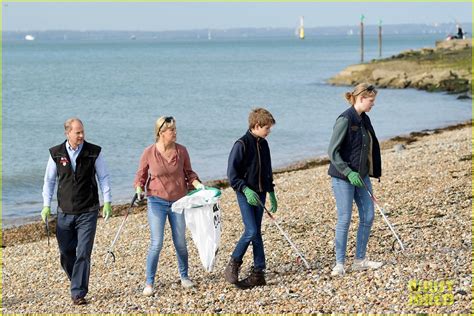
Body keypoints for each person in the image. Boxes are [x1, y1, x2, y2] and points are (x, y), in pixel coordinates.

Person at [41, 118, 112, 305]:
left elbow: (103, 177)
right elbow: (49, 181)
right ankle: (76, 280)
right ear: (68, 133)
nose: (81, 136)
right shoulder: (56, 154)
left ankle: (78, 292)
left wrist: (107, 202)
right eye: (77, 132)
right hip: (64, 212)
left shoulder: (93, 152)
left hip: (88, 210)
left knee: (83, 252)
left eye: (82, 132)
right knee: (65, 252)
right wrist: (46, 205)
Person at [134, 116, 205, 296]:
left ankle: (184, 276)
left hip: (179, 202)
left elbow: (189, 173)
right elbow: (141, 176)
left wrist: (198, 185)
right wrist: (138, 189)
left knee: (180, 242)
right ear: (161, 132)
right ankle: (149, 282)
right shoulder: (149, 152)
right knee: (156, 243)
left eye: (175, 129)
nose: (175, 132)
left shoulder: (182, 151)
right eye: (171, 130)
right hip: (156, 201)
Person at [327, 83, 383, 276]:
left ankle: (360, 260)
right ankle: (339, 264)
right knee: (345, 219)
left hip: (362, 177)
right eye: (371, 100)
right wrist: (348, 172)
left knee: (368, 215)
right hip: (343, 177)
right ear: (361, 98)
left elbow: (367, 149)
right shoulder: (345, 119)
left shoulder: (365, 120)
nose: (373, 104)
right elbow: (332, 152)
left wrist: (368, 172)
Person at [224, 108, 277, 289]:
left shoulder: (264, 144)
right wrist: (245, 190)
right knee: (251, 230)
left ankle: (258, 273)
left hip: (260, 193)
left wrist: (271, 192)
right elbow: (232, 175)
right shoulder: (241, 144)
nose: (269, 132)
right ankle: (234, 262)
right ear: (256, 125)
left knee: (257, 232)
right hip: (245, 193)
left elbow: (267, 170)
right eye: (267, 128)